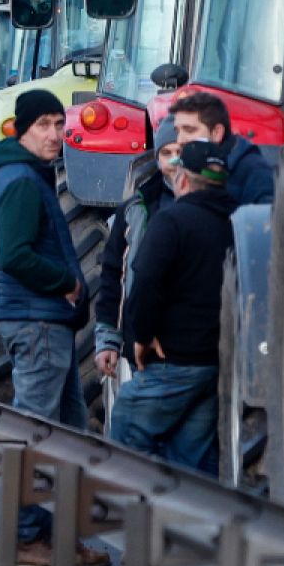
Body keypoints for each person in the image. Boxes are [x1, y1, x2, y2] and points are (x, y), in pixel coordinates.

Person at [0, 89, 108, 566]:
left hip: (44, 321)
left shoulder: (26, 175)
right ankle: (27, 540)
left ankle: (62, 539)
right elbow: (13, 254)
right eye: (44, 126)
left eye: (59, 123)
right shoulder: (19, 181)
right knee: (36, 434)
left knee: (69, 432)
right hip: (36, 321)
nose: (56, 135)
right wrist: (67, 281)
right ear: (21, 129)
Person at [109, 141, 238, 475]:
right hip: (214, 362)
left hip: (172, 361)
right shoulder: (238, 223)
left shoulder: (172, 221)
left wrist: (142, 335)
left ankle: (129, 519)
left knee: (126, 423)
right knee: (192, 458)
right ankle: (191, 525)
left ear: (183, 180)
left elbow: (146, 281)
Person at [92, 116, 181, 383]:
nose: (174, 161)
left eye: (181, 152)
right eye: (167, 153)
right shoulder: (136, 209)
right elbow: (115, 274)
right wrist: (109, 339)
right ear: (157, 157)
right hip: (144, 347)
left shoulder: (215, 205)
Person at [169, 90, 273, 205]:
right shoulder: (186, 165)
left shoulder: (256, 173)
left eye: (189, 130)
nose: (180, 140)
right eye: (177, 131)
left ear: (216, 132)